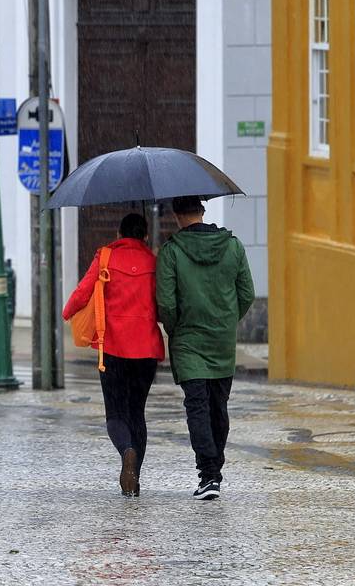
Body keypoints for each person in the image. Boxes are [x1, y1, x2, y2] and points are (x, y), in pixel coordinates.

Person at [157, 195, 254, 501]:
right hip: (221, 339)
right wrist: (227, 320)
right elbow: (247, 293)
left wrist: (176, 330)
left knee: (197, 405)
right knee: (218, 406)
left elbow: (166, 303)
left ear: (176, 215)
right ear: (202, 210)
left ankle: (208, 474)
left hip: (188, 341)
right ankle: (214, 470)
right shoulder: (233, 246)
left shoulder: (171, 252)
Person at [62, 213, 165, 497]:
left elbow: (83, 291)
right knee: (137, 413)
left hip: (113, 348)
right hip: (146, 349)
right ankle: (135, 477)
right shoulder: (154, 262)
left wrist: (68, 312)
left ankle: (126, 452)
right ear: (144, 235)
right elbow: (163, 301)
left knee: (116, 413)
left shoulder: (105, 257)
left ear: (119, 234)